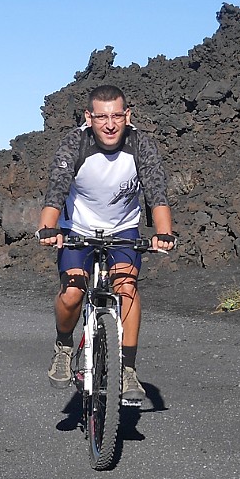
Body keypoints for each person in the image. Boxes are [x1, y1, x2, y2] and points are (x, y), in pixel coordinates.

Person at [36, 84, 175, 402]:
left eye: (116, 116)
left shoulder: (141, 144)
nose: (110, 124)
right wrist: (47, 228)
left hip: (123, 229)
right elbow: (57, 188)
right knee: (72, 294)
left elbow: (156, 191)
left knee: (126, 288)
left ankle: (127, 371)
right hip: (78, 230)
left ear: (127, 115)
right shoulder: (76, 142)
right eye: (101, 117)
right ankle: (64, 346)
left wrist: (163, 233)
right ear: (89, 117)